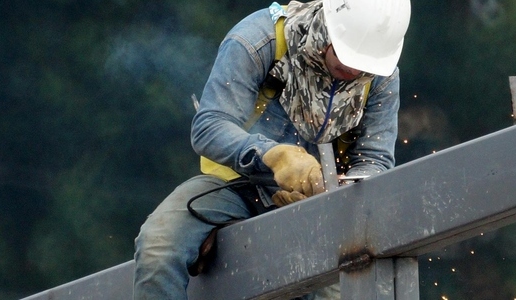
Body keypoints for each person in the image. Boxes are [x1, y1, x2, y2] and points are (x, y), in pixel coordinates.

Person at [132, 0, 411, 299]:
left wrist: (333, 193)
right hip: (234, 188)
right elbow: (210, 126)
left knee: (342, 290)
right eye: (347, 54)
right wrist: (275, 157)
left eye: (364, 63)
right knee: (158, 246)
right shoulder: (258, 40)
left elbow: (374, 161)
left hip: (324, 213)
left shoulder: (381, 77)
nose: (354, 69)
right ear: (328, 24)